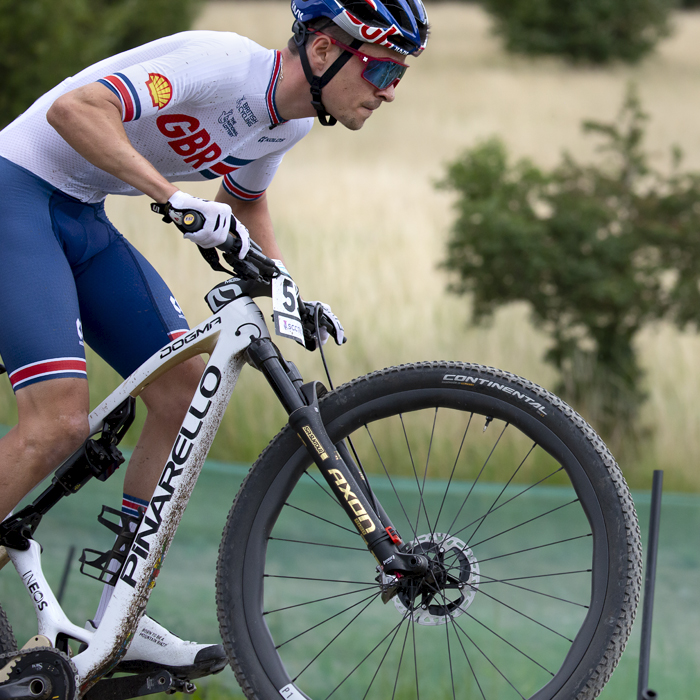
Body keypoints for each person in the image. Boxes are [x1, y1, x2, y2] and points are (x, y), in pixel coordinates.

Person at [0, 0, 429, 682]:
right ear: (322, 52)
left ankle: (120, 621)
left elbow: (245, 200)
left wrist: (285, 287)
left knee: (184, 392)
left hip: (80, 214)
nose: (389, 89)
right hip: (16, 192)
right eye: (380, 66)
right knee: (58, 422)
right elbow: (75, 112)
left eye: (400, 74)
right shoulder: (219, 66)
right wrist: (171, 196)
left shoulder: (284, 124)